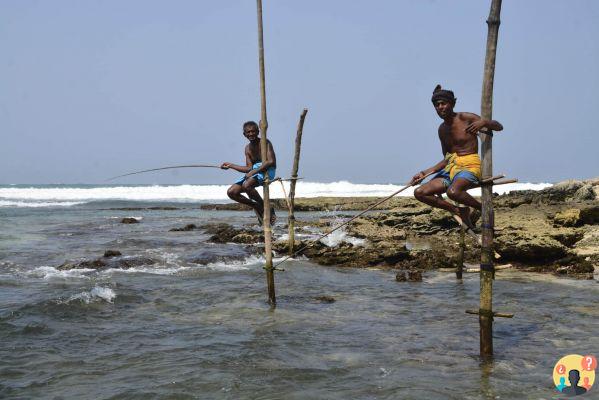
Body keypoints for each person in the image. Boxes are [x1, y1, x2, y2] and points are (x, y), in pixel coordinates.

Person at [412, 85, 503, 229]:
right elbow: (447, 159)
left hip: (469, 166)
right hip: (451, 168)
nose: (440, 107)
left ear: (452, 103)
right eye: (437, 105)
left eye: (444, 103)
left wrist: (484, 122)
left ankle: (483, 208)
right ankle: (459, 210)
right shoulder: (442, 129)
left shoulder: (466, 118)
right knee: (420, 192)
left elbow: (499, 127)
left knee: (453, 192)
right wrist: (424, 173)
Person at [221, 121, 277, 225]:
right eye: (248, 132)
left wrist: (253, 172)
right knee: (232, 192)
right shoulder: (247, 148)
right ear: (244, 134)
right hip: (254, 172)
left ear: (258, 131)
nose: (251, 134)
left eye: (253, 131)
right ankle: (257, 206)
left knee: (247, 185)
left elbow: (271, 161)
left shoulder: (265, 142)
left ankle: (266, 208)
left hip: (267, 170)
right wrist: (231, 166)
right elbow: (248, 168)